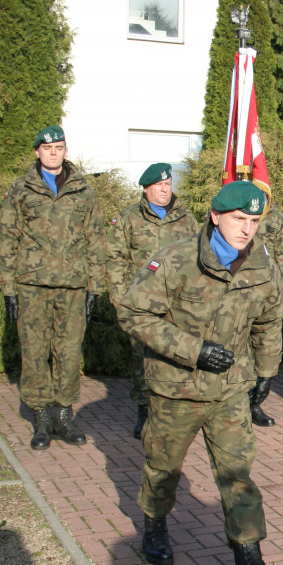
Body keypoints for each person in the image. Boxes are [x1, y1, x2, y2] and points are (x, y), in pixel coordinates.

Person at [116, 180, 283, 565]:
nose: (246, 229)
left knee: (238, 477)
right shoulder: (176, 259)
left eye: (253, 220)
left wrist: (266, 370)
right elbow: (134, 312)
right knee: (163, 467)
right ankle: (155, 525)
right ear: (215, 216)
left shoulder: (262, 264)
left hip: (230, 391)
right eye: (237, 219)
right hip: (177, 389)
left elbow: (270, 318)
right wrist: (193, 350)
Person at [0, 125, 104, 450]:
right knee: (34, 352)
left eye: (59, 147)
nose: (53, 152)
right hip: (31, 286)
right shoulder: (20, 190)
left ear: (65, 151)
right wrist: (9, 289)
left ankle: (64, 417)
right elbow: (7, 239)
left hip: (72, 286)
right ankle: (42, 419)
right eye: (47, 148)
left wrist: (95, 286)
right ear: (37, 152)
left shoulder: (84, 191)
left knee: (69, 353)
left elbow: (96, 238)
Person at [106, 162, 200, 439]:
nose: (164, 190)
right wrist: (121, 299)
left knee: (179, 353)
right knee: (142, 359)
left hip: (179, 302)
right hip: (143, 302)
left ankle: (174, 411)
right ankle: (144, 411)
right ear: (146, 189)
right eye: (159, 186)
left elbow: (198, 256)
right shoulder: (128, 218)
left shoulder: (187, 219)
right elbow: (115, 259)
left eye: (168, 185)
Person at [248, 203, 283, 428]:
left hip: (269, 294)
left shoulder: (275, 215)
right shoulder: (229, 211)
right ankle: (236, 406)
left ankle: (255, 403)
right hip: (240, 292)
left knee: (268, 349)